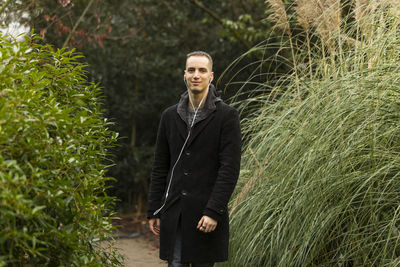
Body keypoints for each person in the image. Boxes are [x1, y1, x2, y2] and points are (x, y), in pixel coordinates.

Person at [147, 51, 241, 267]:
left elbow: (229, 169)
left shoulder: (227, 116)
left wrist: (213, 211)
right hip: (175, 213)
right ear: (184, 75)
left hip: (205, 215)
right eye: (191, 70)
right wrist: (153, 208)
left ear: (211, 76)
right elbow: (160, 166)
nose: (196, 75)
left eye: (202, 70)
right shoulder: (169, 117)